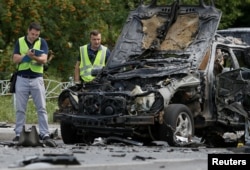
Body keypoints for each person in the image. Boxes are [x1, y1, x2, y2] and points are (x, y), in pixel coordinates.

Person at [12, 22, 51, 142]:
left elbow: (44, 60)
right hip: (22, 78)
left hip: (37, 78)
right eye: (32, 34)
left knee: (41, 107)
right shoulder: (20, 41)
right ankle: (19, 133)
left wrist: (33, 57)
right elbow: (15, 59)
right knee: (20, 108)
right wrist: (26, 56)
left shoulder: (42, 42)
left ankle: (44, 133)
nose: (34, 36)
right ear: (28, 31)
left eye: (36, 34)